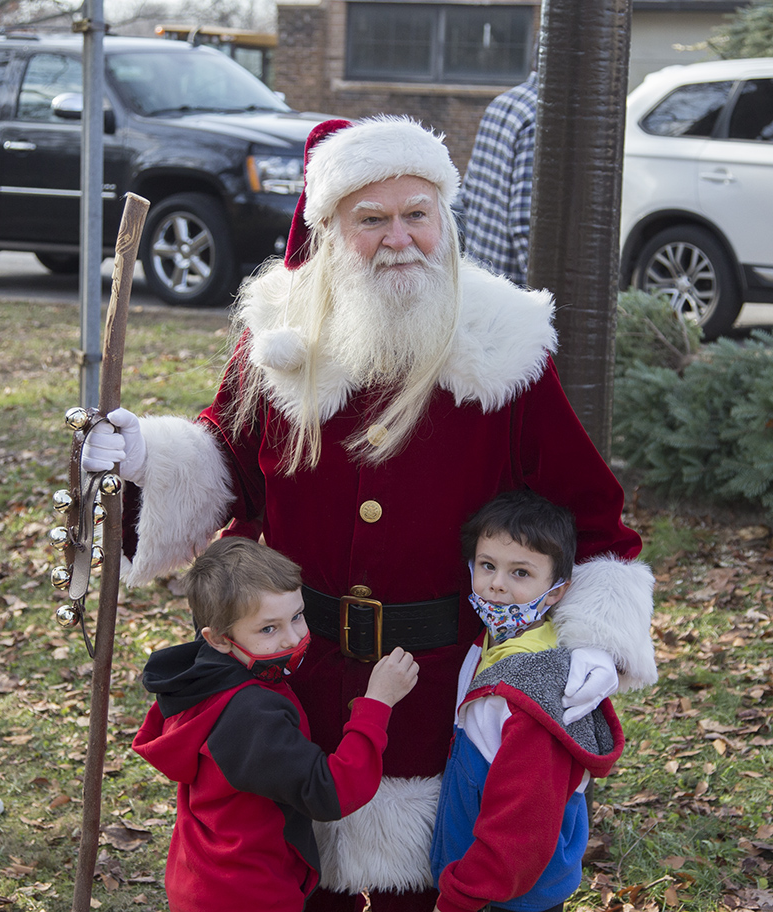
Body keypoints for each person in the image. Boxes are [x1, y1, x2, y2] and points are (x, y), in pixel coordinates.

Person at [82, 115, 656, 911]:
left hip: (443, 686)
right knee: (300, 870)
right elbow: (230, 467)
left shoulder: (502, 347)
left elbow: (591, 515)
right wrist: (146, 456)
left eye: (417, 213)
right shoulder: (280, 344)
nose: (399, 239)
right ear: (328, 229)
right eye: (371, 219)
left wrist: (584, 652)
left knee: (425, 883)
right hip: (296, 677)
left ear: (444, 218)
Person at [132, 536, 418, 912]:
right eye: (269, 629)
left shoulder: (201, 681)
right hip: (251, 893)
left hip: (202, 874)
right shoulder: (249, 715)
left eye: (297, 616)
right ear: (218, 639)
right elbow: (329, 791)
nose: (294, 637)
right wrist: (377, 703)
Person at [430, 490, 625, 912]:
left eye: (520, 572)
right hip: (489, 878)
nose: (497, 583)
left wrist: (466, 892)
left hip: (509, 891)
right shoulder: (493, 642)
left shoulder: (532, 691)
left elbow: (526, 817)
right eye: (487, 566)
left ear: (555, 591)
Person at [461, 67, 538, 285]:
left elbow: (467, 193)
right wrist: (543, 293)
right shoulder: (539, 117)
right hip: (512, 292)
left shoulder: (502, 102)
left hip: (480, 279)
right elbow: (526, 222)